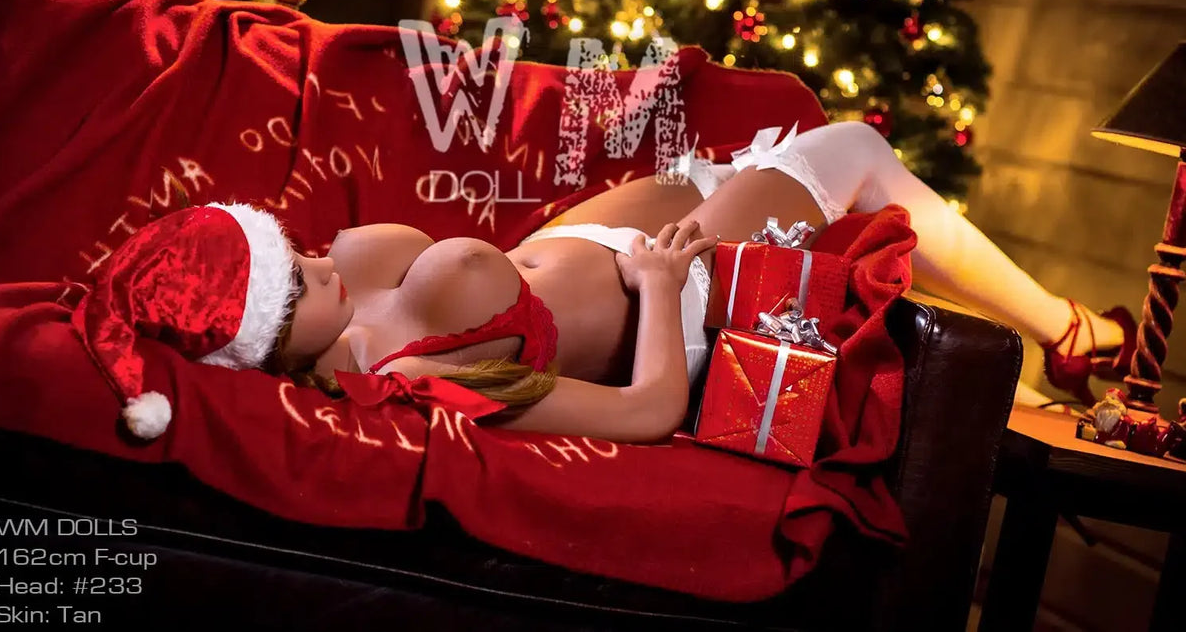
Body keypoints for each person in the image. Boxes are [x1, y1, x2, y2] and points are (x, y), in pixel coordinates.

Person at [72, 122, 1135, 441]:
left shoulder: (348, 299)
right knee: (858, 152)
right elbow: (648, 407)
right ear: (265, 343)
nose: (315, 257)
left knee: (837, 159)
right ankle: (1073, 332)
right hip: (666, 293)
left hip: (609, 241)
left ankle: (1057, 366)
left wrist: (598, 222)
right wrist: (668, 284)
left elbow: (509, 274)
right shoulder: (408, 381)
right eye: (293, 284)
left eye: (288, 250)